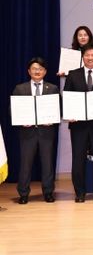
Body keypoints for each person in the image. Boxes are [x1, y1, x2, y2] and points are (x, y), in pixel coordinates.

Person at [63, 43, 93, 202]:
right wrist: (69, 114)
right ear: (82, 56)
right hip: (78, 124)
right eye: (87, 55)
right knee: (78, 158)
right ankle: (80, 192)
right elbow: (67, 97)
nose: (90, 58)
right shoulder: (73, 75)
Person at [13, 57, 59, 204]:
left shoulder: (53, 88)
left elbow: (58, 108)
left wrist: (53, 119)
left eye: (40, 69)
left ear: (45, 71)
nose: (37, 71)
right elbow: (13, 110)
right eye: (34, 69)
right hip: (27, 132)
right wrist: (21, 121)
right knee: (25, 164)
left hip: (47, 132)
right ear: (29, 71)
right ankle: (23, 193)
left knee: (47, 163)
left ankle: (48, 192)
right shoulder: (20, 89)